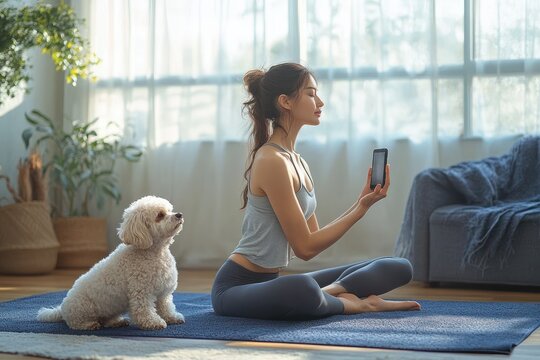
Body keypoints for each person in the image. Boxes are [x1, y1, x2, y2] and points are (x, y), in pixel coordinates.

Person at [211, 63, 420, 320]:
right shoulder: (271, 160)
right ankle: (359, 304)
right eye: (311, 94)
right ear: (285, 102)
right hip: (235, 288)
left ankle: (329, 294)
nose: (319, 101)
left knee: (399, 266)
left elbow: (312, 240)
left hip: (271, 283)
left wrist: (361, 204)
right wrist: (359, 212)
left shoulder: (298, 161)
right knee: (302, 288)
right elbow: (305, 249)